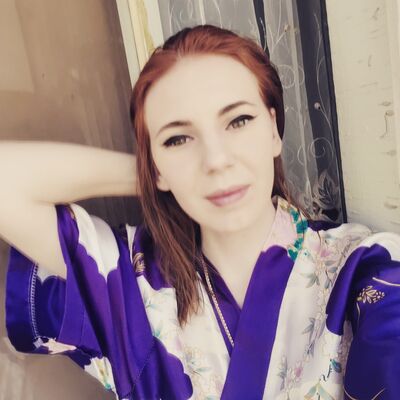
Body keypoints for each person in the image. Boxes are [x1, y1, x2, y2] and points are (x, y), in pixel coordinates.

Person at [1, 23, 400, 400]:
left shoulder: (361, 270)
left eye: (238, 120)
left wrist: (175, 169)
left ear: (273, 129)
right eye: (178, 139)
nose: (216, 160)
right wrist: (158, 175)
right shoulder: (132, 285)